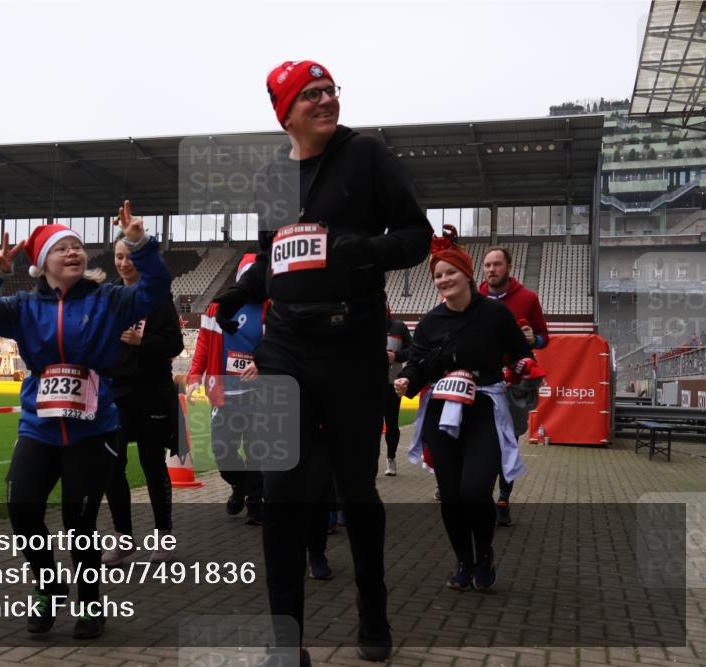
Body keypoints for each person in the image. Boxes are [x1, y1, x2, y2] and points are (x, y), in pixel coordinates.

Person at [213, 60, 433, 664]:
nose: (325, 100)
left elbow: (416, 236)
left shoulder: (365, 155)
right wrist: (240, 289)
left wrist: (359, 248)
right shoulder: (269, 179)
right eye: (310, 94)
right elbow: (270, 256)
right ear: (284, 111)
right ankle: (287, 641)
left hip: (352, 346)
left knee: (356, 488)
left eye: (330, 90)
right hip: (283, 347)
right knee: (282, 488)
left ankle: (373, 609)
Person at [0, 202, 169, 640]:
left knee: (80, 523)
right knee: (22, 511)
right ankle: (49, 585)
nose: (74, 253)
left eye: (77, 247)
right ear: (42, 264)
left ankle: (91, 602)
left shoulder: (109, 300)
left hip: (93, 430)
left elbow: (155, 290)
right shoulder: (21, 307)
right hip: (39, 427)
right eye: (62, 248)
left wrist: (138, 244)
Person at [395, 226, 541, 593]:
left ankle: (484, 553)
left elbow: (520, 353)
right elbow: (417, 363)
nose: (444, 280)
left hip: (484, 411)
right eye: (438, 275)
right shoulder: (430, 321)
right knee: (451, 494)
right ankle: (463, 560)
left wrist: (523, 364)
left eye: (450, 273)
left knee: (475, 491)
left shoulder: (494, 314)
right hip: (443, 413)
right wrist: (406, 381)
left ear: (467, 274)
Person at [102, 232, 184, 566]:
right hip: (117, 393)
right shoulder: (109, 296)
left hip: (152, 393)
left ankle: (164, 535)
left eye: (129, 257)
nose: (123, 263)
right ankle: (124, 538)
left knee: (152, 464)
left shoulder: (157, 296)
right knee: (112, 465)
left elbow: (175, 345)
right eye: (119, 256)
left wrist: (142, 341)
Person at [187, 254, 267, 525]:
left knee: (257, 450)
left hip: (259, 394)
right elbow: (204, 345)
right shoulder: (215, 309)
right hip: (224, 394)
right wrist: (195, 375)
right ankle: (239, 485)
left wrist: (261, 363)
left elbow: (280, 345)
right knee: (223, 451)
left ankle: (255, 504)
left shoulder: (273, 308)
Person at [480, 246, 549, 526]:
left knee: (508, 441)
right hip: (482, 381)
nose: (491, 270)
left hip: (515, 384)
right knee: (481, 441)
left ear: (508, 267)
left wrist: (534, 340)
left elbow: (545, 338)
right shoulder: (475, 298)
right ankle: (479, 494)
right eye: (487, 265)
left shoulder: (528, 298)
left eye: (496, 264)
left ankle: (504, 497)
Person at [382, 303, 412, 476]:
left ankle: (391, 458)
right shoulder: (367, 327)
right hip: (372, 385)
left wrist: (396, 356)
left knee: (392, 423)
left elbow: (413, 349)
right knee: (370, 426)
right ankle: (370, 463)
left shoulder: (399, 326)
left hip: (393, 383)